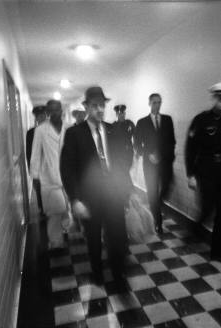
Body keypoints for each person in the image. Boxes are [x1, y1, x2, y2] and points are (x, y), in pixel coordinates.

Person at [60, 86, 131, 286]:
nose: (100, 109)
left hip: (114, 195)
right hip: (89, 197)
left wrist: (127, 192)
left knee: (117, 236)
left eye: (102, 105)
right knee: (93, 239)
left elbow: (120, 164)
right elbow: (67, 169)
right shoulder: (74, 133)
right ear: (86, 107)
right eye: (95, 106)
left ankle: (118, 273)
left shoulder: (113, 130)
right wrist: (74, 199)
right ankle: (97, 273)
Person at [185, 78, 221, 268]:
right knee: (208, 208)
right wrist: (190, 174)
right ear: (214, 98)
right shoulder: (201, 120)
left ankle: (220, 253)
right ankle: (195, 230)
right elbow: (190, 148)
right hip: (206, 173)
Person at [30, 100, 71, 249]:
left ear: (62, 110)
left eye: (57, 110)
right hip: (49, 178)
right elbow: (35, 154)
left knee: (66, 208)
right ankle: (55, 241)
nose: (54, 113)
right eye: (51, 111)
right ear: (47, 113)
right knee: (54, 212)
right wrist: (35, 177)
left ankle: (65, 228)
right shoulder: (41, 130)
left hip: (67, 176)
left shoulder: (69, 129)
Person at [134, 93, 175, 234]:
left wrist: (164, 156)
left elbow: (172, 141)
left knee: (167, 186)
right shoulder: (142, 122)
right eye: (154, 102)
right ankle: (157, 222)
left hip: (165, 163)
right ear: (149, 103)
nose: (157, 105)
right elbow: (137, 144)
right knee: (152, 191)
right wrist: (149, 154)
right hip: (149, 164)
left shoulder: (168, 120)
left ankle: (157, 204)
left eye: (159, 102)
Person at [26, 105, 47, 213]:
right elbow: (29, 153)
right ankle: (42, 210)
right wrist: (32, 170)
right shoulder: (30, 133)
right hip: (38, 169)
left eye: (43, 115)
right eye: (38, 116)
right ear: (36, 117)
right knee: (39, 190)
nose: (41, 118)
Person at [112, 104, 135, 172]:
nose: (121, 115)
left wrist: (136, 147)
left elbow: (136, 135)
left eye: (122, 113)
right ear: (116, 115)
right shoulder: (113, 126)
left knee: (127, 170)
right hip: (118, 154)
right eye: (119, 114)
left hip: (128, 152)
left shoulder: (129, 123)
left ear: (124, 113)